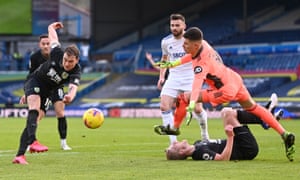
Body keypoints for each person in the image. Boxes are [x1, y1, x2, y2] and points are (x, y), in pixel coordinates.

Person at [156, 27, 295, 161]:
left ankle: (175, 128)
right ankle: (284, 134)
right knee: (253, 108)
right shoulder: (203, 46)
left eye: (186, 44)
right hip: (234, 78)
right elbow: (189, 57)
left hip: (223, 91)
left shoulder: (201, 65)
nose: (183, 46)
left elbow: (197, 85)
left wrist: (192, 104)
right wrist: (172, 64)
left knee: (184, 97)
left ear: (196, 45)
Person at [12, 22, 81, 165]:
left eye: (71, 62)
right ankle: (32, 141)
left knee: (34, 121)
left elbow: (74, 86)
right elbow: (53, 37)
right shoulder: (56, 52)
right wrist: (51, 27)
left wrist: (70, 96)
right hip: (36, 81)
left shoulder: (76, 70)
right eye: (66, 60)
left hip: (49, 91)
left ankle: (19, 156)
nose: (67, 64)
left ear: (77, 60)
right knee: (34, 110)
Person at [154, 14, 209, 144]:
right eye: (172, 25)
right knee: (164, 106)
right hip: (173, 77)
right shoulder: (166, 42)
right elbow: (164, 59)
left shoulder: (192, 40)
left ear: (184, 26)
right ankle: (173, 143)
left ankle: (205, 136)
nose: (174, 28)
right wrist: (162, 76)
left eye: (177, 25)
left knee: (197, 109)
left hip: (191, 77)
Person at [20, 34, 72, 151]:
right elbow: (31, 75)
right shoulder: (35, 57)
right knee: (37, 116)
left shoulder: (58, 55)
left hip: (56, 86)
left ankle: (63, 142)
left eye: (48, 43)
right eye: (43, 44)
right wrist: (27, 92)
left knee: (60, 112)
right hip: (41, 87)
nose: (45, 46)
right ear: (40, 45)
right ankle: (30, 142)